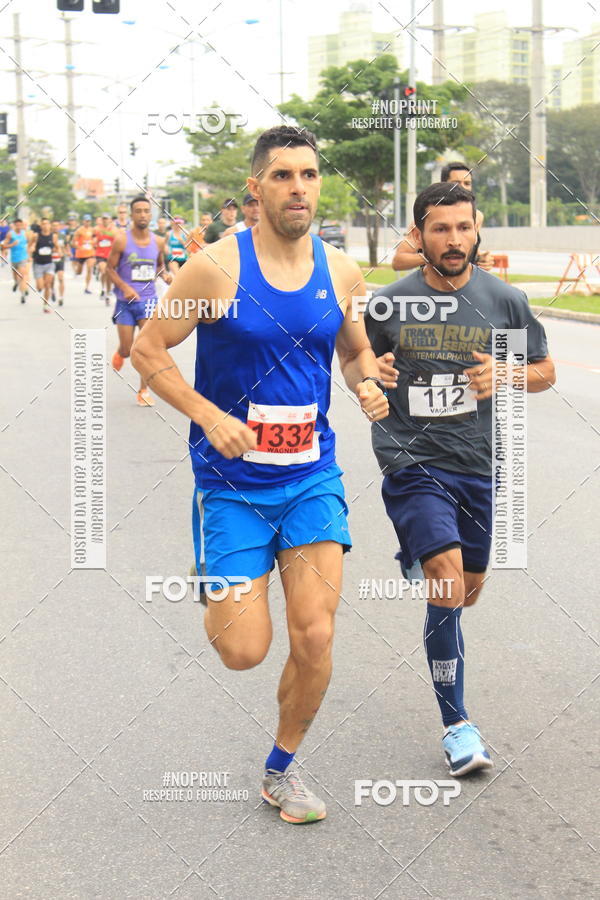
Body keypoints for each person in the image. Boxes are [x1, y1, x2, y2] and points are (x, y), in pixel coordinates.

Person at [130, 125, 388, 825]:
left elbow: (356, 352)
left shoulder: (341, 273)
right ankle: (217, 568)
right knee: (243, 650)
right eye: (282, 176)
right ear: (256, 189)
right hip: (233, 484)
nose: (297, 187)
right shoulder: (214, 269)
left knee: (315, 635)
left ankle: (282, 769)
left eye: (307, 174)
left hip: (311, 478)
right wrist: (208, 414)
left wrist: (366, 384)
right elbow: (149, 350)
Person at [366, 181, 555, 776]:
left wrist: (507, 373)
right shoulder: (389, 303)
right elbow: (356, 366)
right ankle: (458, 726)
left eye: (463, 228)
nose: (453, 240)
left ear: (477, 233)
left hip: (479, 465)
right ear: (418, 235)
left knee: (466, 588)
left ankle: (423, 555)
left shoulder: (504, 301)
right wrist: (370, 378)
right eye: (440, 229)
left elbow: (544, 371)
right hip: (412, 463)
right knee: (446, 582)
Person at [107, 195, 172, 407]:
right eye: (138, 211)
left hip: (149, 301)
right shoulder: (122, 240)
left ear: (150, 214)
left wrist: (165, 275)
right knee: (128, 349)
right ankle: (121, 352)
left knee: (145, 348)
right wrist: (124, 288)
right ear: (132, 214)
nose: (143, 214)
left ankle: (143, 390)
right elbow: (109, 269)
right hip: (124, 303)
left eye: (146, 211)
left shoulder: (159, 241)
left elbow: (160, 265)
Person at [392, 162, 493, 273]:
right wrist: (433, 256)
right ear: (443, 184)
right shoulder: (427, 219)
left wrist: (482, 258)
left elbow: (469, 248)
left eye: (467, 183)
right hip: (433, 286)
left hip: (468, 285)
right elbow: (398, 261)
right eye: (456, 183)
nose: (462, 187)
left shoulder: (477, 217)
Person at [29, 217, 58, 313]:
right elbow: (30, 246)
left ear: (49, 225)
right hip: (38, 264)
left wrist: (59, 251)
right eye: (43, 224)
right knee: (40, 287)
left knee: (47, 285)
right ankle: (41, 289)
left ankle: (45, 305)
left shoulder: (53, 236)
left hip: (49, 263)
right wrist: (31, 251)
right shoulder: (36, 236)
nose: (45, 225)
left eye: (47, 223)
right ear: (41, 226)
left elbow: (57, 247)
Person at [3, 218, 30, 303]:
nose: (19, 226)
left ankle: (22, 295)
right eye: (17, 225)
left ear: (22, 225)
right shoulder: (10, 234)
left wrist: (31, 251)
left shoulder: (25, 233)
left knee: (23, 276)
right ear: (14, 225)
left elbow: (30, 243)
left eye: (20, 225)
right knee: (15, 277)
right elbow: (4, 246)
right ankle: (16, 283)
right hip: (14, 259)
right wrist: (12, 244)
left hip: (23, 258)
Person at [95, 213, 116, 305]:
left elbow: (118, 241)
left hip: (110, 255)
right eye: (103, 219)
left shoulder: (115, 230)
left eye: (106, 219)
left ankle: (107, 292)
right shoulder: (97, 229)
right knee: (103, 271)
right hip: (100, 254)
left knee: (109, 274)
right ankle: (103, 288)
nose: (105, 220)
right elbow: (91, 239)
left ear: (110, 220)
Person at [72, 214, 96, 293]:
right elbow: (73, 242)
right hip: (81, 254)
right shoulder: (79, 230)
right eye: (86, 221)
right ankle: (76, 272)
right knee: (79, 272)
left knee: (89, 268)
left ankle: (87, 287)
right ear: (83, 221)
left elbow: (95, 239)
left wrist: (94, 243)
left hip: (90, 253)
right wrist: (79, 247)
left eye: (89, 221)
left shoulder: (93, 230)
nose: (87, 223)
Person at [51, 220, 68, 306]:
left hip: (60, 259)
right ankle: (52, 291)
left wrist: (67, 252)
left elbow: (66, 246)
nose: (55, 227)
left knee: (61, 278)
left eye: (57, 226)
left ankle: (61, 297)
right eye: (54, 226)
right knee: (51, 279)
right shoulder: (48, 236)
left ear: (59, 227)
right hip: (50, 260)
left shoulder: (62, 236)